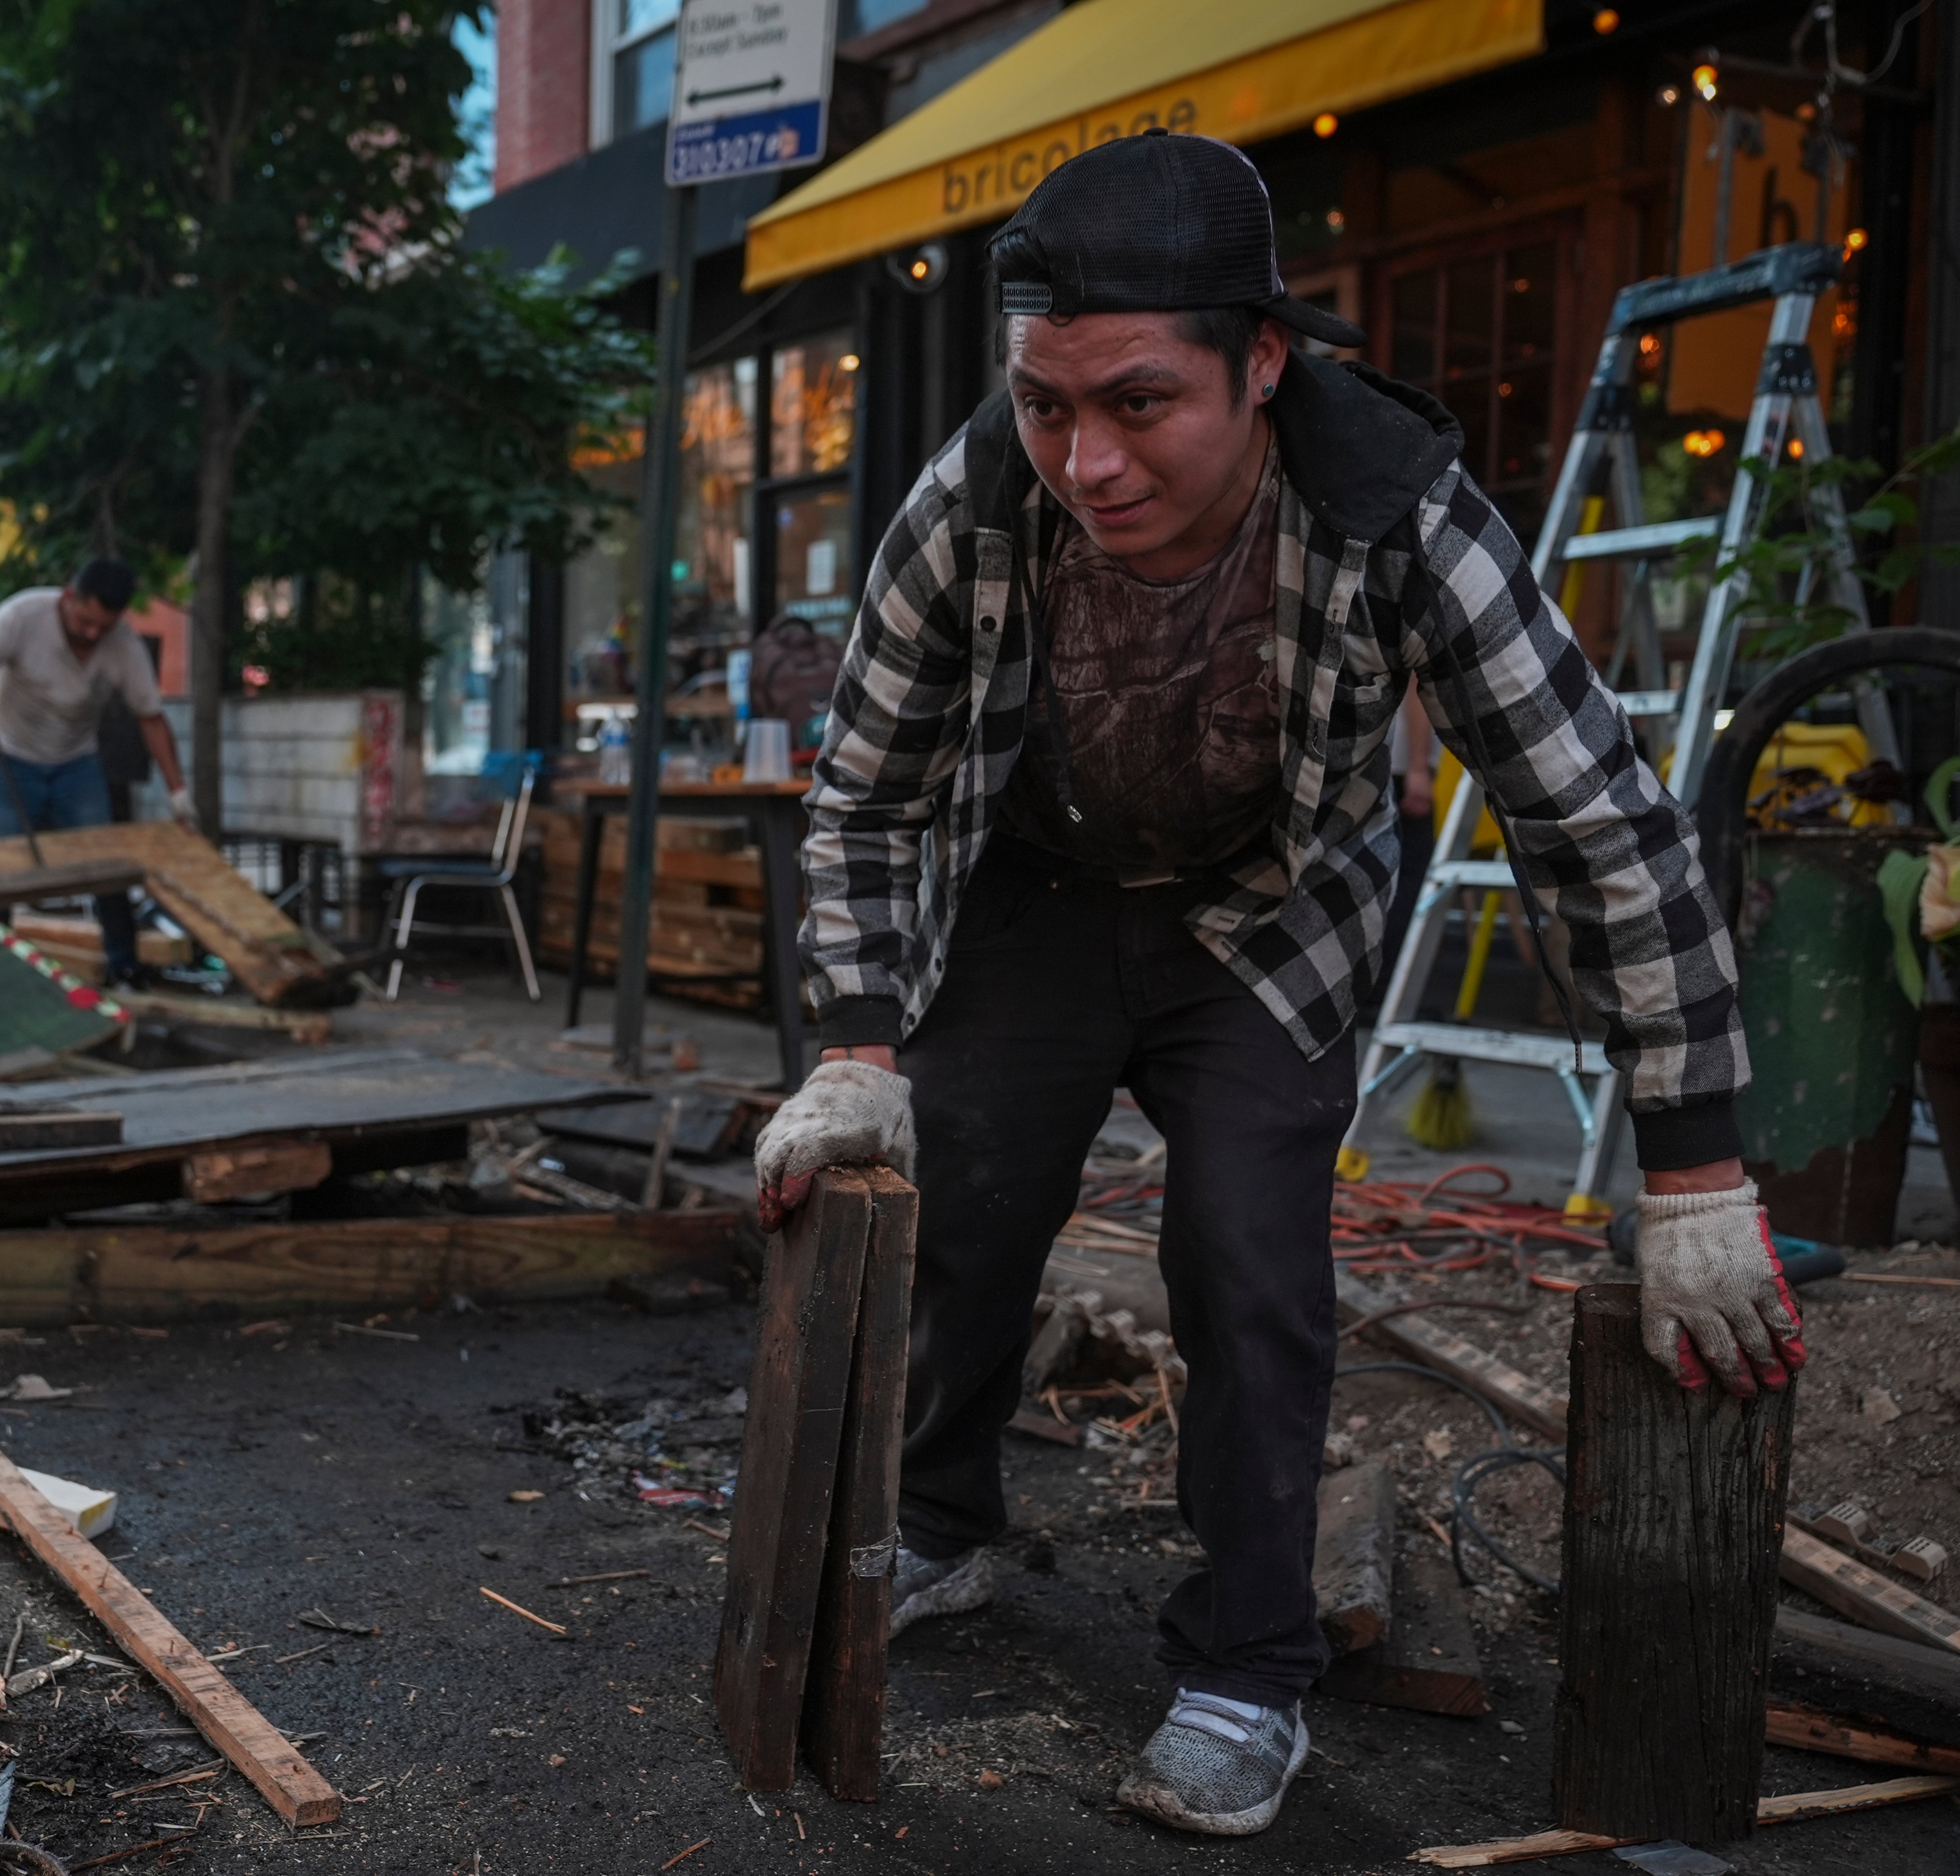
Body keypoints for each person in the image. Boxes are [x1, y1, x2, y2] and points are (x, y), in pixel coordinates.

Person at [755, 131, 1799, 1840]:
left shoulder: (1403, 514)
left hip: (1269, 916)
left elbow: (1595, 820)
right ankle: (936, 1517)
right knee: (973, 1212)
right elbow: (867, 788)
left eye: (1139, 404)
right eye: (1044, 405)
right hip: (1034, 889)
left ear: (1260, 361)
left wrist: (1696, 1164)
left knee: (1249, 1257)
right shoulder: (976, 497)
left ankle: (1248, 1659)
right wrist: (860, 1040)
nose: (1084, 460)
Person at [0, 557, 192, 987]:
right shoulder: (21, 616)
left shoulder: (124, 648)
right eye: (85, 621)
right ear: (68, 596)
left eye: (104, 626)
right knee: (1, 866)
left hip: (76, 763)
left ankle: (124, 963)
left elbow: (151, 718)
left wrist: (178, 791)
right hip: (10, 757)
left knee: (106, 866)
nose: (93, 634)